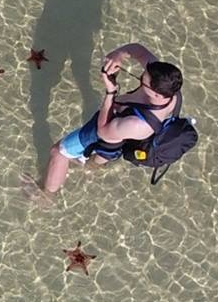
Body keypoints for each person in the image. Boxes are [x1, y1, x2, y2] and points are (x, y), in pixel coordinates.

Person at [31, 42, 183, 194]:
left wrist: (111, 93)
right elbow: (138, 50)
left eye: (143, 79)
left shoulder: (138, 124)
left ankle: (47, 195)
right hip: (119, 137)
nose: (142, 76)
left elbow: (102, 131)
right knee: (99, 159)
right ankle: (90, 167)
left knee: (59, 152)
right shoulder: (167, 85)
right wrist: (119, 54)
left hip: (108, 137)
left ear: (156, 94)